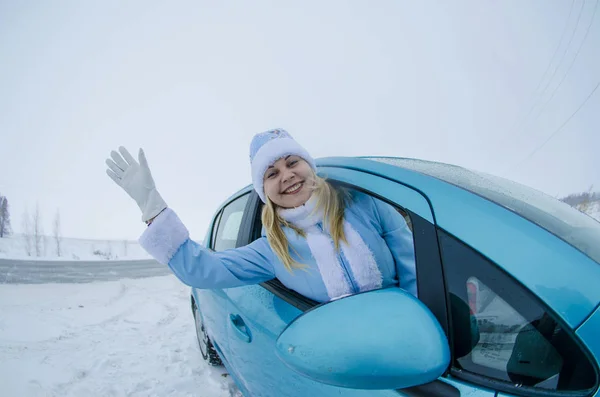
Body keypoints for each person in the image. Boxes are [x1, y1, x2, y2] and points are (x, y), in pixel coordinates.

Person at [105, 129, 417, 303]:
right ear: (263, 190)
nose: (287, 175)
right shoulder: (272, 251)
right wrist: (152, 208)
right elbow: (202, 270)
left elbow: (417, 272)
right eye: (272, 173)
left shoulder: (366, 206)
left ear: (310, 165)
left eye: (293, 162)